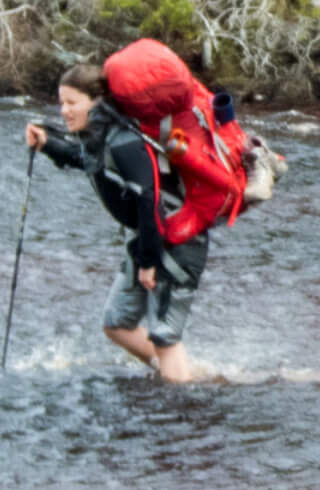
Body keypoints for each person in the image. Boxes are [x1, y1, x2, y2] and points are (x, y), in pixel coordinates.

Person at [25, 60, 210, 381]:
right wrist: (47, 145)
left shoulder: (125, 142)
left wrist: (149, 262)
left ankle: (180, 406)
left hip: (175, 240)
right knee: (116, 323)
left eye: (71, 103)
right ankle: (182, 377)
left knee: (165, 337)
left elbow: (149, 200)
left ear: (95, 102)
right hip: (144, 241)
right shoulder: (101, 137)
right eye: (61, 103)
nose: (63, 111)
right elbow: (87, 160)